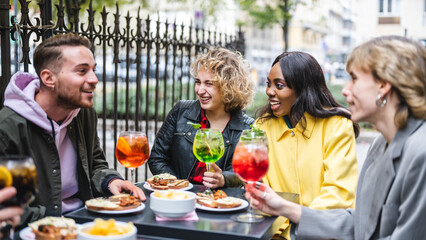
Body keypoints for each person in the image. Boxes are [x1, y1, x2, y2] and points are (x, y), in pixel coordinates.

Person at [246, 36, 426, 239]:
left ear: (383, 86)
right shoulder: (379, 146)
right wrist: (286, 209)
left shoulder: (420, 153)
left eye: (354, 78)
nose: (345, 90)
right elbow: (359, 225)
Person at [0, 33, 145, 230]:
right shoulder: (10, 128)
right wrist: (64, 222)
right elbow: (13, 207)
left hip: (86, 220)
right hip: (44, 230)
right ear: (48, 78)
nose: (94, 79)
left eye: (94, 70)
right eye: (82, 71)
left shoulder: (84, 114)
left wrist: (110, 180)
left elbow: (95, 162)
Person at [255, 51, 359, 238]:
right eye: (268, 84)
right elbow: (258, 184)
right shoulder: (262, 127)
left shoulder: (337, 126)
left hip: (324, 233)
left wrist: (297, 226)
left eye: (279, 85)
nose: (269, 91)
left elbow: (338, 193)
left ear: (303, 88)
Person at [148, 48, 255, 188]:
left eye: (209, 84)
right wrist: (178, 187)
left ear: (229, 87)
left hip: (218, 203)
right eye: (198, 82)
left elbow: (246, 174)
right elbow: (157, 157)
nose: (199, 90)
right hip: (178, 198)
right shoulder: (180, 111)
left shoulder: (247, 127)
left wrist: (224, 179)